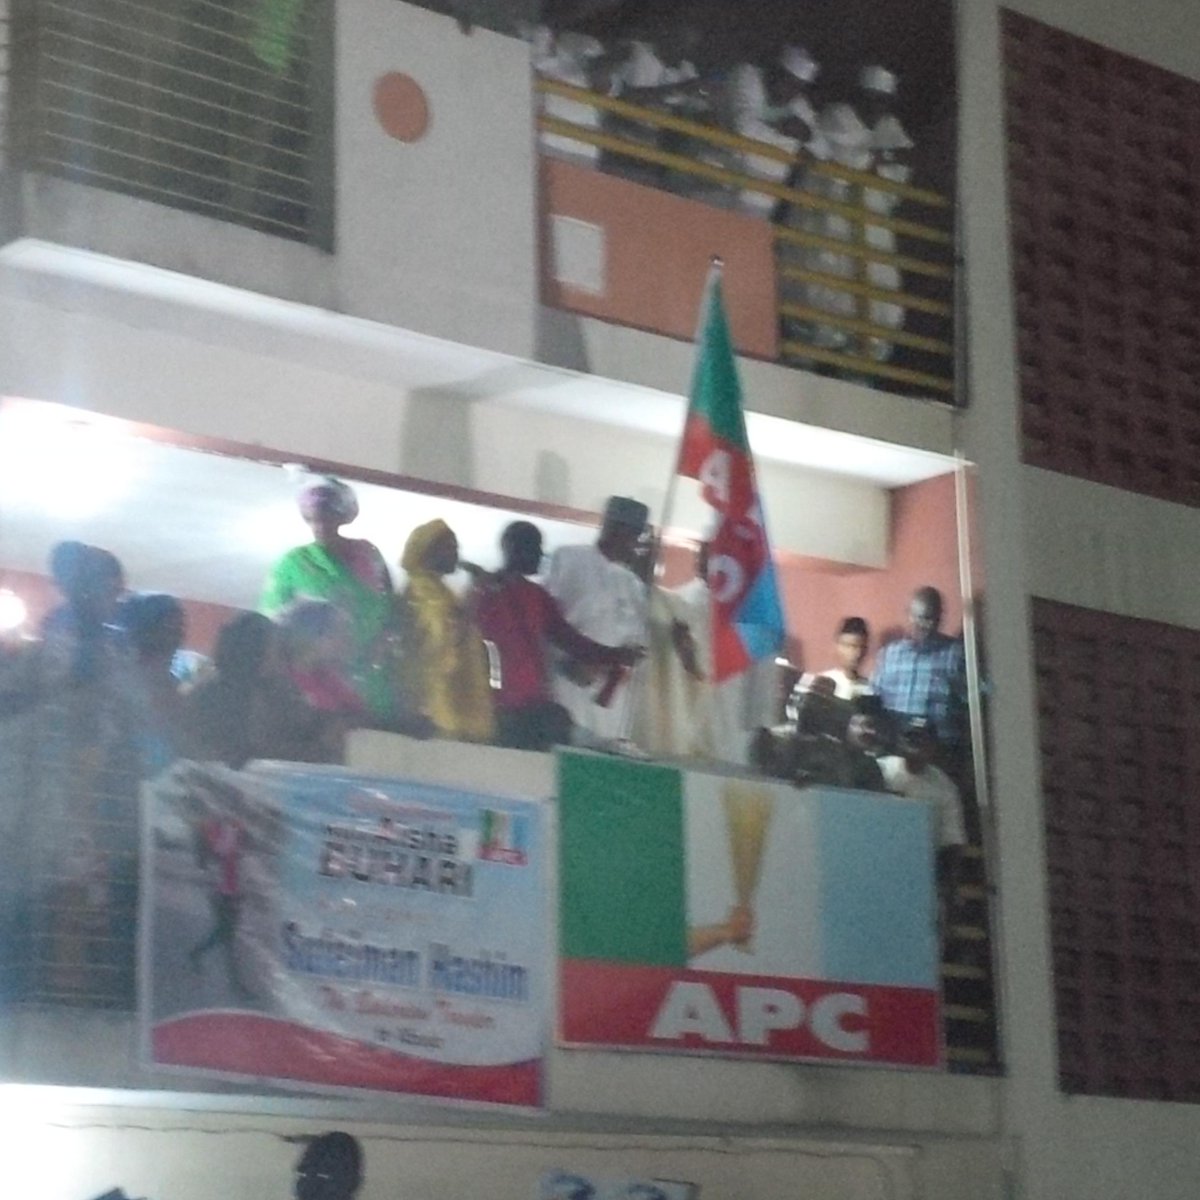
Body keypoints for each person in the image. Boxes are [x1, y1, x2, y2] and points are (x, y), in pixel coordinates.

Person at [472, 520, 642, 751]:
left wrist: (615, 655)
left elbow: (570, 640)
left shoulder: (537, 596)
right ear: (511, 547)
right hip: (496, 705)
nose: (540, 554)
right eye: (534, 547)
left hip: (534, 703)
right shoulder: (485, 591)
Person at [261, 477, 397, 726]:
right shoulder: (293, 563)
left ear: (343, 515)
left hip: (372, 674)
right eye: (313, 519)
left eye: (328, 516)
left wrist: (384, 643)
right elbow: (272, 623)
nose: (320, 525)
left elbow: (390, 608)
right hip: (315, 677)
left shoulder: (369, 555)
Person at [641, 542, 776, 765]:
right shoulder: (678, 601)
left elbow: (762, 689)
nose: (704, 559)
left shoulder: (754, 618)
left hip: (730, 736)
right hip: (679, 730)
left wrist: (762, 728)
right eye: (702, 552)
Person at [544, 497, 649, 747]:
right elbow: (544, 619)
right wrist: (564, 663)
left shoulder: (632, 585)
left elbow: (637, 643)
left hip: (609, 701)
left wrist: (622, 665)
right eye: (633, 535)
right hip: (566, 686)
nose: (636, 544)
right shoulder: (568, 558)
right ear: (613, 529)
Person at [182, 611, 341, 767]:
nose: (281, 657)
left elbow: (306, 722)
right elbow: (259, 752)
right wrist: (320, 748)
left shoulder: (278, 689)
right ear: (255, 650)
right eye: (276, 648)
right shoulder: (221, 696)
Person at [399, 519, 494, 743]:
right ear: (430, 550)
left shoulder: (442, 591)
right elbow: (444, 635)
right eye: (450, 547)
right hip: (436, 702)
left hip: (452, 700)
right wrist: (475, 592)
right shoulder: (421, 589)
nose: (457, 553)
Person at [872, 586, 968, 764]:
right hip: (896, 752)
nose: (926, 625)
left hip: (940, 754)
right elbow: (875, 700)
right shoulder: (889, 654)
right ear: (908, 614)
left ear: (940, 617)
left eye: (931, 618)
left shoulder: (956, 653)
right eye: (920, 618)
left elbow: (972, 703)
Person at [879, 718, 967, 907]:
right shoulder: (881, 769)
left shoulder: (944, 787)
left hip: (919, 872)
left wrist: (950, 888)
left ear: (933, 746)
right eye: (910, 736)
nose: (915, 742)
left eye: (923, 738)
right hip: (877, 862)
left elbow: (952, 841)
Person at [116, 591, 187, 778]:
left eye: (180, 629)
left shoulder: (172, 684)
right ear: (147, 632)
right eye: (169, 628)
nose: (178, 638)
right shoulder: (122, 683)